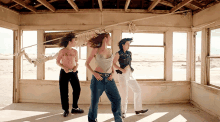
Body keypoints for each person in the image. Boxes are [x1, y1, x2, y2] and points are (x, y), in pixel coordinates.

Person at [85, 33, 123, 122]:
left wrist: (113, 73)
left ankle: (118, 119)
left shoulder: (110, 50)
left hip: (109, 79)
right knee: (94, 102)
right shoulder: (96, 50)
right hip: (98, 79)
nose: (110, 40)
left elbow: (111, 64)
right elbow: (86, 63)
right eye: (109, 38)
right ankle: (92, 120)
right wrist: (94, 73)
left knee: (117, 99)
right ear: (105, 38)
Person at [113, 38, 148, 118]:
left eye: (129, 44)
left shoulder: (129, 53)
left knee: (137, 90)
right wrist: (121, 69)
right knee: (124, 93)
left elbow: (129, 63)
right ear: (123, 45)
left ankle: (138, 109)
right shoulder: (118, 53)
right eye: (127, 44)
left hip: (130, 74)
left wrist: (129, 71)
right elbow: (113, 63)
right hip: (122, 75)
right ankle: (123, 112)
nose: (129, 45)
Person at [56, 33, 84, 117]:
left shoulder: (75, 51)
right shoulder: (62, 51)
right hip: (64, 73)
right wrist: (64, 67)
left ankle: (74, 108)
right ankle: (66, 110)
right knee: (64, 91)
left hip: (73, 72)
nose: (75, 42)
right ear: (69, 41)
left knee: (77, 89)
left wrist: (76, 67)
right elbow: (57, 62)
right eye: (74, 40)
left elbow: (77, 62)